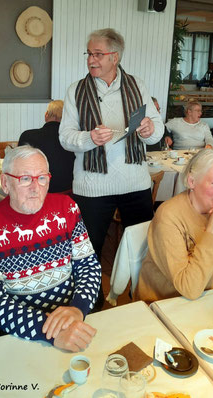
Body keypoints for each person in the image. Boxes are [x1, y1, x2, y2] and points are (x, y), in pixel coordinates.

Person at [59, 28, 164, 265]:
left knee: (142, 250)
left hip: (135, 184)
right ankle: (90, 301)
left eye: (98, 54)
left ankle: (139, 297)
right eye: (88, 54)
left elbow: (156, 128)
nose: (90, 60)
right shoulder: (75, 90)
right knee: (88, 252)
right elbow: (65, 137)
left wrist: (149, 130)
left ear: (114, 57)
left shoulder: (138, 85)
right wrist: (89, 138)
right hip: (92, 188)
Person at [0, 145, 101, 351]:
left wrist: (77, 309)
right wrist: (48, 330)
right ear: (5, 183)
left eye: (41, 178)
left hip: (74, 320)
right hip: (21, 335)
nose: (35, 188)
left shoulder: (67, 208)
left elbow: (88, 266)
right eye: (25, 178)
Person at [134, 148, 213, 303]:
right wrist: (212, 233)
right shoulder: (169, 216)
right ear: (192, 181)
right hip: (170, 304)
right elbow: (189, 289)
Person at [18, 100, 75, 194]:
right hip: (68, 192)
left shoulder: (28, 136)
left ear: (46, 115)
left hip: (36, 191)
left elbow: (19, 166)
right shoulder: (73, 138)